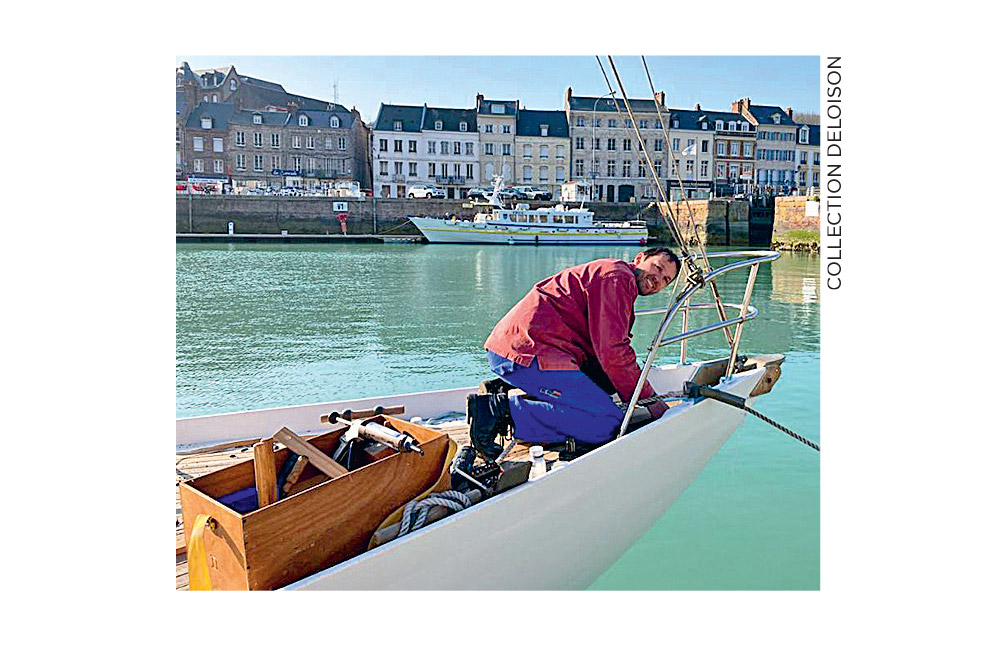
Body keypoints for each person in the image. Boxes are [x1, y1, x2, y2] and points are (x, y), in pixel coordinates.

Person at [467, 247, 681, 459]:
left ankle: (509, 388)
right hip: (530, 353)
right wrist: (650, 400)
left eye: (666, 280)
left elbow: (607, 349)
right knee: (606, 423)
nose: (658, 279)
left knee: (606, 386)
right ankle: (499, 410)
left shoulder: (614, 275)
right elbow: (613, 351)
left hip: (518, 348)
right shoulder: (618, 279)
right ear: (639, 258)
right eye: (657, 267)